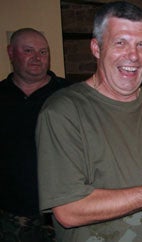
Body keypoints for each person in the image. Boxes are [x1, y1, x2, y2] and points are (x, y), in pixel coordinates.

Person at [35, 2, 142, 242]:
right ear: (96, 48)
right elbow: (68, 210)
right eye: (120, 42)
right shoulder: (63, 112)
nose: (133, 56)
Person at [0, 27, 72, 241]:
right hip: (9, 213)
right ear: (11, 53)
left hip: (59, 211)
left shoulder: (70, 95)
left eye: (43, 52)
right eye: (28, 51)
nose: (37, 58)